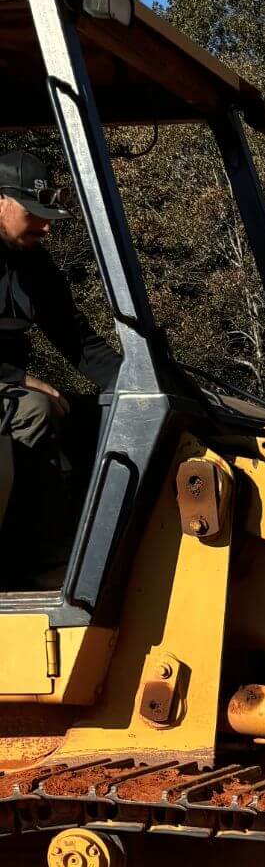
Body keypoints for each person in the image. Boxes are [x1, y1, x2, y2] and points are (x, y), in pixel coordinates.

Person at [0, 149, 121, 563]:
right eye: (33, 212)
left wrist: (138, 385)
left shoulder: (33, 263)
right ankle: (33, 565)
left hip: (7, 384)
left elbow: (77, 338)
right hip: (7, 387)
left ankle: (91, 558)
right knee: (35, 410)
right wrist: (17, 378)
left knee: (99, 415)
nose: (46, 226)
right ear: (1, 201)